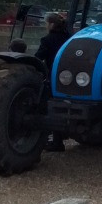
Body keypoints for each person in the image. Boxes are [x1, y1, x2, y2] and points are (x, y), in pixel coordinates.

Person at [35, 13, 70, 152]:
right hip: (68, 77)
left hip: (53, 76)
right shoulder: (69, 38)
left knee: (48, 106)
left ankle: (56, 140)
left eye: (46, 23)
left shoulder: (47, 39)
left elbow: (38, 58)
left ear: (51, 24)